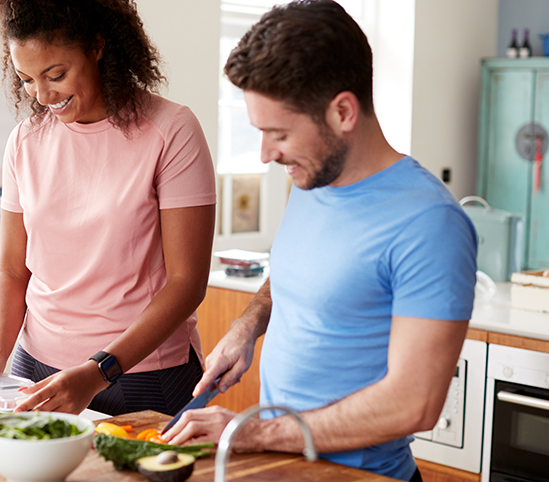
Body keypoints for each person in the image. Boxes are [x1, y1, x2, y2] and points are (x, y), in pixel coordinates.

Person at [161, 2, 477, 481]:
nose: (266, 154)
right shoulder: (310, 181)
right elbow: (298, 271)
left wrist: (252, 433)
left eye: (279, 133)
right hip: (284, 467)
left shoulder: (429, 223)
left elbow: (416, 403)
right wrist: (248, 327)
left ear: (343, 111)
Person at [0, 0, 216, 417]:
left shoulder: (171, 131)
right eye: (27, 79)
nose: (43, 96)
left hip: (140, 372)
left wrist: (99, 370)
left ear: (98, 46)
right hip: (35, 367)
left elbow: (187, 283)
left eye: (56, 75)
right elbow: (12, 270)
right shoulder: (25, 141)